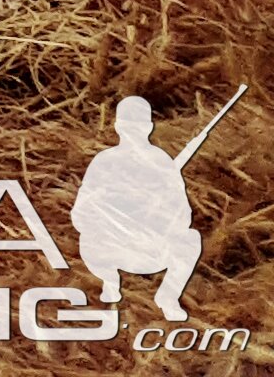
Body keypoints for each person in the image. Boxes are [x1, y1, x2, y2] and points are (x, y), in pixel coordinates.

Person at [70, 97, 204, 321]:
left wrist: (155, 217)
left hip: (150, 251)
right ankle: (110, 281)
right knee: (88, 239)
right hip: (109, 250)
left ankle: (168, 296)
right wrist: (112, 220)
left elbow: (183, 216)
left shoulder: (162, 162)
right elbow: (80, 215)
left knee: (190, 239)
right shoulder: (104, 162)